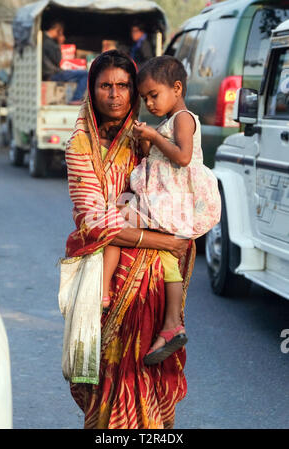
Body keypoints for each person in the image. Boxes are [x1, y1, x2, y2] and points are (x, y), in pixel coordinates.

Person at [64, 50, 196, 429]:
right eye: (105, 86)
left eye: (123, 86)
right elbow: (95, 221)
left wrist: (172, 239)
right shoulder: (80, 147)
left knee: (152, 371)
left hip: (152, 281)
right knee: (106, 372)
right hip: (104, 278)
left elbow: (179, 193)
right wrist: (164, 242)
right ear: (92, 91)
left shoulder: (148, 136)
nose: (115, 95)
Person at [102, 56, 221, 366]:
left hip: (174, 202)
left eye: (154, 95)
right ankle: (171, 325)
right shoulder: (168, 121)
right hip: (168, 201)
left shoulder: (183, 118)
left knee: (114, 223)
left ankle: (103, 292)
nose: (150, 102)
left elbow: (182, 157)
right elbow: (156, 159)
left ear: (177, 88)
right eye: (145, 98)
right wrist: (146, 142)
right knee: (169, 260)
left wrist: (153, 136)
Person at [42, 20, 87, 104]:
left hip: (49, 72)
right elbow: (57, 59)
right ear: (58, 31)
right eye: (61, 33)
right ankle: (75, 99)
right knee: (85, 74)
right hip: (52, 73)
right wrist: (60, 43)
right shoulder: (49, 43)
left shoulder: (43, 39)